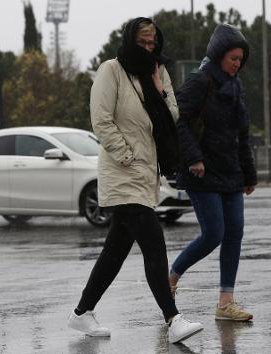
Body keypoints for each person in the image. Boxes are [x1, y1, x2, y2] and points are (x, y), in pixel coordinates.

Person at [67, 17, 203, 344]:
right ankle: (173, 320)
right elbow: (101, 120)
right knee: (154, 245)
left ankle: (82, 313)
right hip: (121, 174)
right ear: (130, 40)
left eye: (152, 43)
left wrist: (158, 88)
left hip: (145, 175)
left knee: (115, 251)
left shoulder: (157, 72)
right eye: (142, 42)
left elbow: (172, 115)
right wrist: (127, 155)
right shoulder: (111, 71)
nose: (147, 48)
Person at [169, 24, 257, 322]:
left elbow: (242, 135)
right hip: (201, 171)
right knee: (214, 234)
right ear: (219, 55)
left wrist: (249, 174)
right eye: (233, 58)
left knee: (235, 233)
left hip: (230, 171)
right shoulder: (200, 81)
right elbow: (177, 120)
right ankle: (170, 278)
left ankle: (225, 302)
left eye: (240, 60)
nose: (237, 64)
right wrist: (194, 157)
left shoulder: (235, 87)